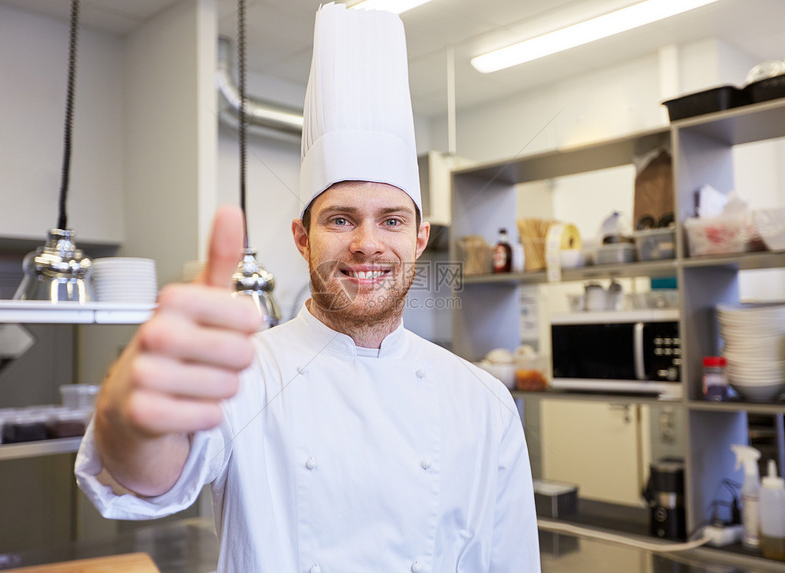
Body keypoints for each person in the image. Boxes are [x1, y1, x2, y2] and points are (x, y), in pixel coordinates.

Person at [76, 3, 540, 571]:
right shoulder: (243, 376)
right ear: (302, 237)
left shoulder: (484, 402)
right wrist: (129, 417)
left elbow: (513, 560)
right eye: (341, 219)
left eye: (391, 220)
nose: (368, 244)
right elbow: (145, 482)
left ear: (419, 239)